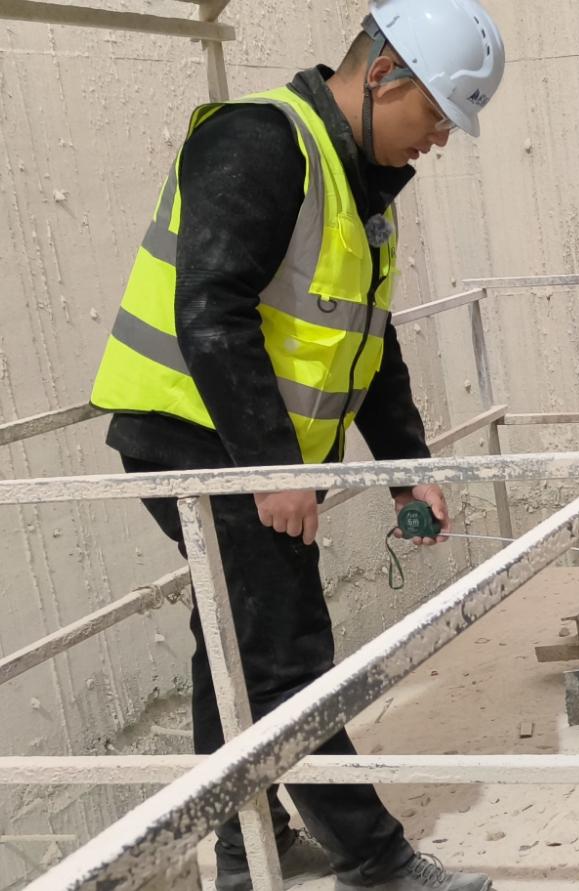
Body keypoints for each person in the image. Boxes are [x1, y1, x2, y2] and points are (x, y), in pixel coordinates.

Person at [88, 1, 504, 888]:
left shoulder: (359, 184)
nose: (438, 140)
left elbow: (368, 342)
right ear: (383, 74)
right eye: (436, 114)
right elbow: (211, 313)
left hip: (243, 443)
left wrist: (408, 473)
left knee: (238, 642)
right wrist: (271, 468)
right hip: (193, 436)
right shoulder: (261, 142)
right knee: (287, 653)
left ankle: (246, 847)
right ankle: (377, 862)